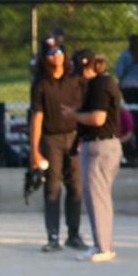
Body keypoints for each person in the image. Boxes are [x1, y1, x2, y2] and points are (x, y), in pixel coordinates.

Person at [30, 38, 88, 253]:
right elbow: (37, 117)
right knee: (52, 188)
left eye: (59, 52)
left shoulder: (74, 81)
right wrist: (34, 151)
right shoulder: (42, 85)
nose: (56, 57)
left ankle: (73, 234)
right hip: (51, 139)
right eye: (50, 53)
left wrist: (83, 136)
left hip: (73, 137)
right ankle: (52, 235)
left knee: (75, 187)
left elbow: (82, 110)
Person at [64, 50, 122, 263]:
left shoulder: (100, 84)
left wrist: (73, 115)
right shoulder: (104, 83)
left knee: (96, 198)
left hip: (99, 146)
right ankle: (104, 244)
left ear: (88, 67)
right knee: (101, 198)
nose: (79, 76)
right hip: (106, 146)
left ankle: (102, 247)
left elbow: (98, 118)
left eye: (81, 70)